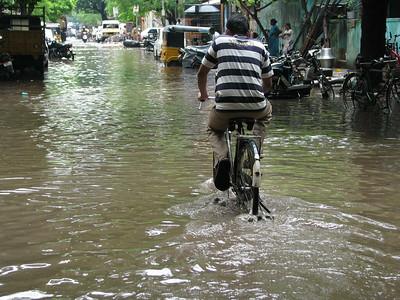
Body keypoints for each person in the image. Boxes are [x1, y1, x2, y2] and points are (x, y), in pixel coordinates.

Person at [197, 14, 273, 191]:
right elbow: (268, 83)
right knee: (266, 113)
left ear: (227, 31)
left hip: (225, 107)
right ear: (248, 32)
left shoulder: (219, 42)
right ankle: (254, 153)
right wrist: (256, 95)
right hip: (256, 105)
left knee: (213, 129)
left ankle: (223, 159)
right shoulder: (260, 47)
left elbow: (202, 73)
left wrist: (203, 95)